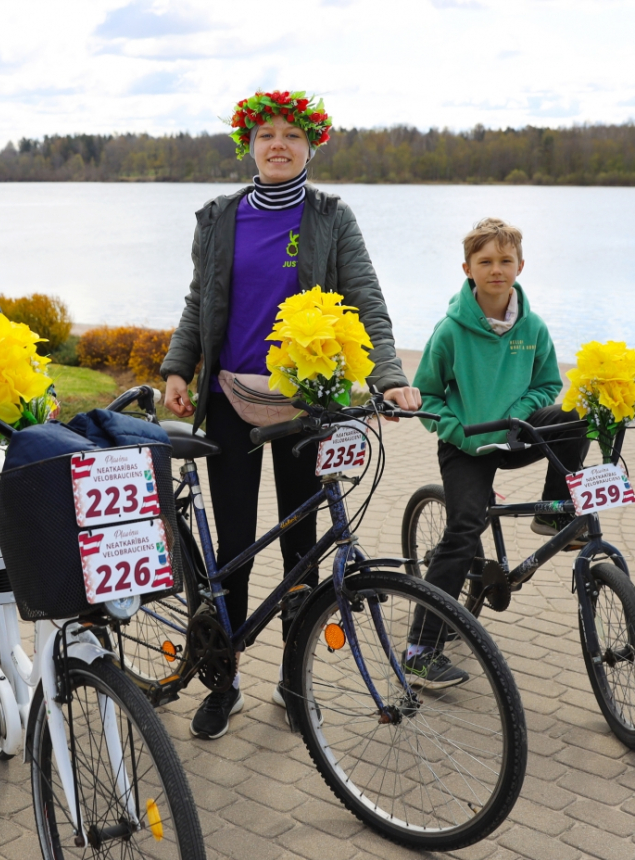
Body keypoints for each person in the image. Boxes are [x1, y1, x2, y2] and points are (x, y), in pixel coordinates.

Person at [160, 90, 421, 740]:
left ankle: (292, 681)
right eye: (267, 134)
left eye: (291, 136)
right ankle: (225, 680)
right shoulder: (220, 218)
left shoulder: (332, 217)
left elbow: (366, 301)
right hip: (229, 404)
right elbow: (200, 302)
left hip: (310, 410)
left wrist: (389, 377)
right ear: (250, 144)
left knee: (304, 552)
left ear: (311, 146)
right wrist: (176, 367)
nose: (278, 144)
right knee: (236, 548)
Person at [407, 217, 588, 687]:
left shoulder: (533, 327)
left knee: (574, 417)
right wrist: (460, 430)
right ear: (467, 268)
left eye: (505, 261)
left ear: (520, 266)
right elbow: (426, 395)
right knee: (464, 527)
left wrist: (521, 414)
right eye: (485, 261)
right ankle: (420, 649)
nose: (496, 269)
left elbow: (548, 383)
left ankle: (555, 513)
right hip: (465, 445)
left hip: (514, 434)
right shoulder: (450, 331)